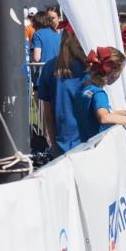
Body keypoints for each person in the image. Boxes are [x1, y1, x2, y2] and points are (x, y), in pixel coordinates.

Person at [74, 46, 126, 142]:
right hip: (97, 147)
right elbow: (104, 117)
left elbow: (105, 113)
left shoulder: (86, 88)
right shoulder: (98, 93)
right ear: (114, 74)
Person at [37, 25, 89, 156]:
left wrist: (54, 145)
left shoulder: (49, 67)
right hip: (90, 141)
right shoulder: (90, 67)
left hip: (64, 143)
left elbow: (48, 115)